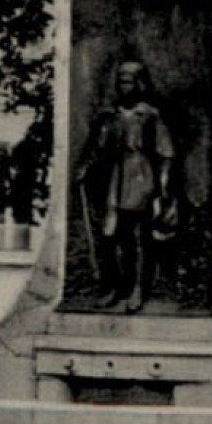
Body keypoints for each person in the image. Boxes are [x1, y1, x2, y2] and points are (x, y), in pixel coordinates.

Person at [78, 60, 177, 313]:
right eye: (120, 80)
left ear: (139, 83)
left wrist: (163, 185)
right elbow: (99, 147)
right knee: (111, 235)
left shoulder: (150, 115)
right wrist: (85, 168)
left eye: (129, 80)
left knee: (138, 237)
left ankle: (138, 290)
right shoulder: (110, 116)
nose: (124, 86)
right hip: (116, 176)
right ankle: (115, 287)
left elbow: (166, 153)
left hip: (140, 177)